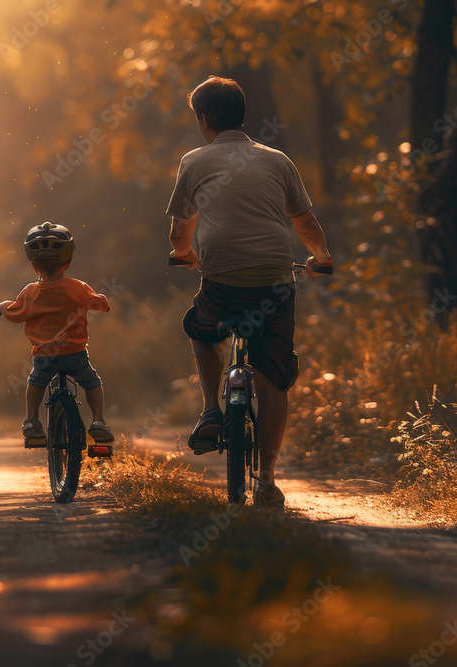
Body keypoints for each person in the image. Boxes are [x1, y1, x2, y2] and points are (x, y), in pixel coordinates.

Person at [166, 76, 332, 510]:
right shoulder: (278, 160)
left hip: (221, 278)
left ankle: (210, 409)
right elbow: (306, 222)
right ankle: (269, 480)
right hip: (275, 280)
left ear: (203, 119)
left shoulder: (194, 161)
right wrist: (323, 257)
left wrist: (183, 254)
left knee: (201, 330)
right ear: (242, 114)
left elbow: (180, 227)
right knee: (273, 376)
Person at [0, 222, 115, 449]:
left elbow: (15, 313)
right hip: (76, 355)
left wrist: (2, 306)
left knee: (35, 381)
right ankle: (99, 421)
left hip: (45, 358)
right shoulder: (78, 287)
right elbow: (101, 304)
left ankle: (32, 420)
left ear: (34, 266)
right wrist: (102, 300)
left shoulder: (30, 292)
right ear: (67, 262)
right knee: (92, 382)